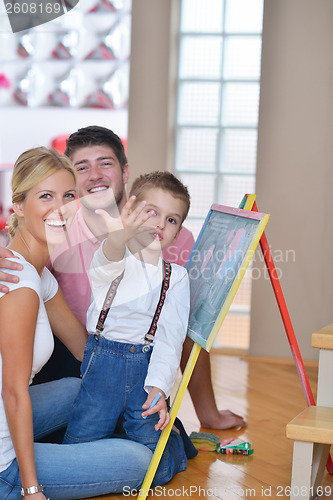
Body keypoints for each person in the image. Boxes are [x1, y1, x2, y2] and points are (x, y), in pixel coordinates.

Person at [0, 126, 246, 430]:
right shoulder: (58, 227)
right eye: (81, 167)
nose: (94, 175)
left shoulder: (170, 237)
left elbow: (186, 332)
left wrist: (208, 412)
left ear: (125, 171)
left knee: (168, 435)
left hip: (137, 362)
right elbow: (18, 248)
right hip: (67, 358)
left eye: (105, 163)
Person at [0, 147, 155, 500]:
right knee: (140, 461)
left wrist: (151, 384)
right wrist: (30, 488)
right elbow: (12, 391)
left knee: (78, 388)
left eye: (68, 195)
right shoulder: (19, 284)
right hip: (3, 463)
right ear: (19, 206)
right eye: (45, 196)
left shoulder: (38, 275)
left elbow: (88, 353)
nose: (60, 208)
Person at [64, 172, 191, 484]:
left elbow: (170, 341)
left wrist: (159, 389)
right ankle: (113, 453)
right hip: (101, 368)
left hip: (143, 374)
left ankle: (173, 444)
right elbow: (106, 262)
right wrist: (118, 236)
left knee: (156, 469)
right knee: (77, 447)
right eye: (151, 212)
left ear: (177, 231)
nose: (161, 224)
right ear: (131, 214)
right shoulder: (113, 256)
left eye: (172, 220)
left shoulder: (176, 278)